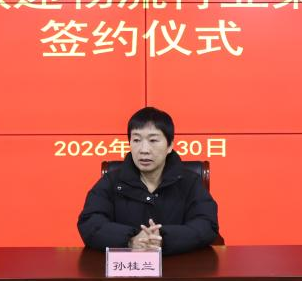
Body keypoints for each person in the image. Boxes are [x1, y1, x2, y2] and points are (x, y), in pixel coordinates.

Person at [78, 107, 220, 255]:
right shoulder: (112, 181)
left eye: (153, 140)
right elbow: (89, 222)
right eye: (136, 140)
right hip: (126, 267)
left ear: (170, 145)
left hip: (177, 266)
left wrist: (163, 239)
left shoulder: (189, 182)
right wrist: (130, 239)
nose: (144, 149)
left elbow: (207, 225)